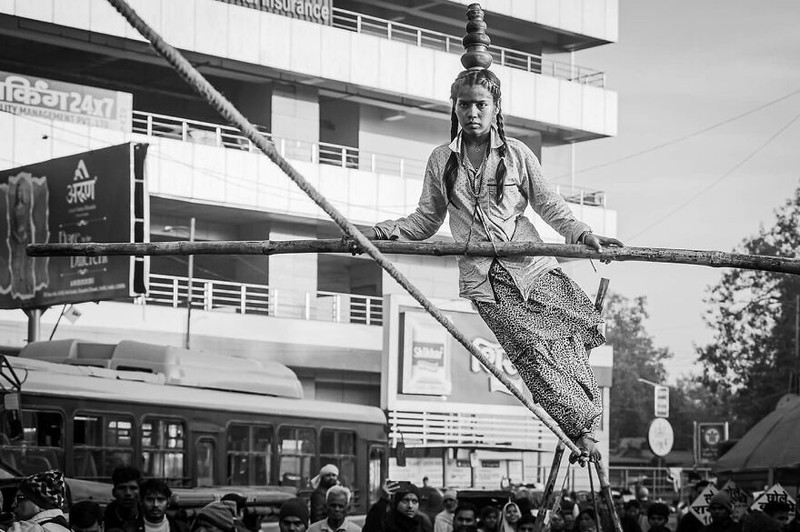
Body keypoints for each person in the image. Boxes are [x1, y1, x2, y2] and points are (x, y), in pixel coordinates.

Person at [363, 67, 623, 459]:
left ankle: (585, 419)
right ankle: (579, 428)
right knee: (531, 352)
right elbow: (425, 220)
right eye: (464, 104)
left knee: (574, 329)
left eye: (481, 105)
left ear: (495, 107)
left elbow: (549, 204)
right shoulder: (441, 160)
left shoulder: (517, 154)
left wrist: (583, 234)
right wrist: (381, 232)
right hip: (486, 282)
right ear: (455, 107)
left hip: (532, 267)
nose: (472, 112)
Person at [104, 467, 143, 532]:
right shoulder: (102, 520)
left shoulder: (149, 518)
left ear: (140, 492)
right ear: (114, 492)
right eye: (122, 488)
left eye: (133, 488)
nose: (128, 493)